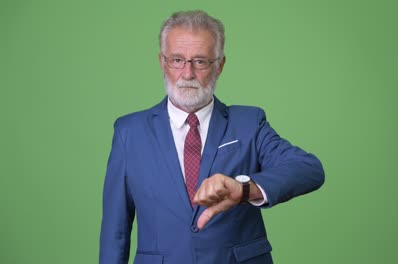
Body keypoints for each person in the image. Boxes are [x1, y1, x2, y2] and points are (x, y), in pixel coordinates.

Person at [99, 10, 325, 264]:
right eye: (177, 60)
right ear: (163, 62)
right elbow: (115, 233)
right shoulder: (129, 132)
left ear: (219, 65)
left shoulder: (249, 123)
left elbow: (309, 169)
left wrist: (243, 190)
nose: (187, 74)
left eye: (200, 61)